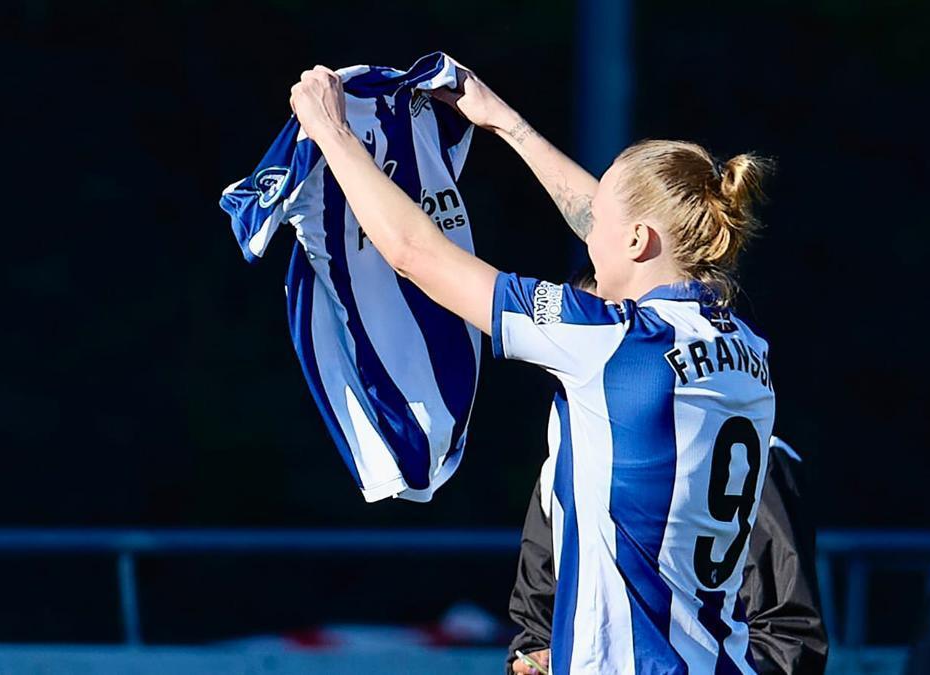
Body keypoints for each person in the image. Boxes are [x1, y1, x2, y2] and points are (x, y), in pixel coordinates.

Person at [290, 62, 775, 674]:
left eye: (601, 222)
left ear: (637, 241)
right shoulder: (746, 347)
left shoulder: (612, 339)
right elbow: (621, 230)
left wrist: (333, 133)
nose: (588, 234)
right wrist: (504, 124)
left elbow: (417, 255)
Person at [507, 422, 828, 674]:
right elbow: (534, 631)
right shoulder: (564, 466)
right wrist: (532, 663)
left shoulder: (751, 455)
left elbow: (787, 638)